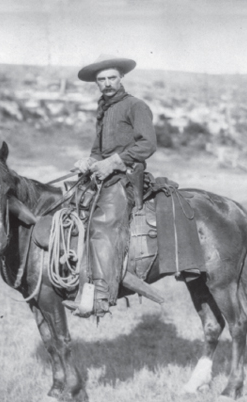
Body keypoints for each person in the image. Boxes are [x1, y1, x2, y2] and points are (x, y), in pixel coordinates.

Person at [62, 54, 157, 317]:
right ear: (96, 83)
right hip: (104, 175)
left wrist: (114, 161)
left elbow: (147, 144)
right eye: (101, 80)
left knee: (103, 223)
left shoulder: (136, 106)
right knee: (69, 208)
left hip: (126, 177)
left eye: (112, 78)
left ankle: (101, 297)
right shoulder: (104, 109)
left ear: (121, 78)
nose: (107, 83)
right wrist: (88, 160)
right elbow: (97, 150)